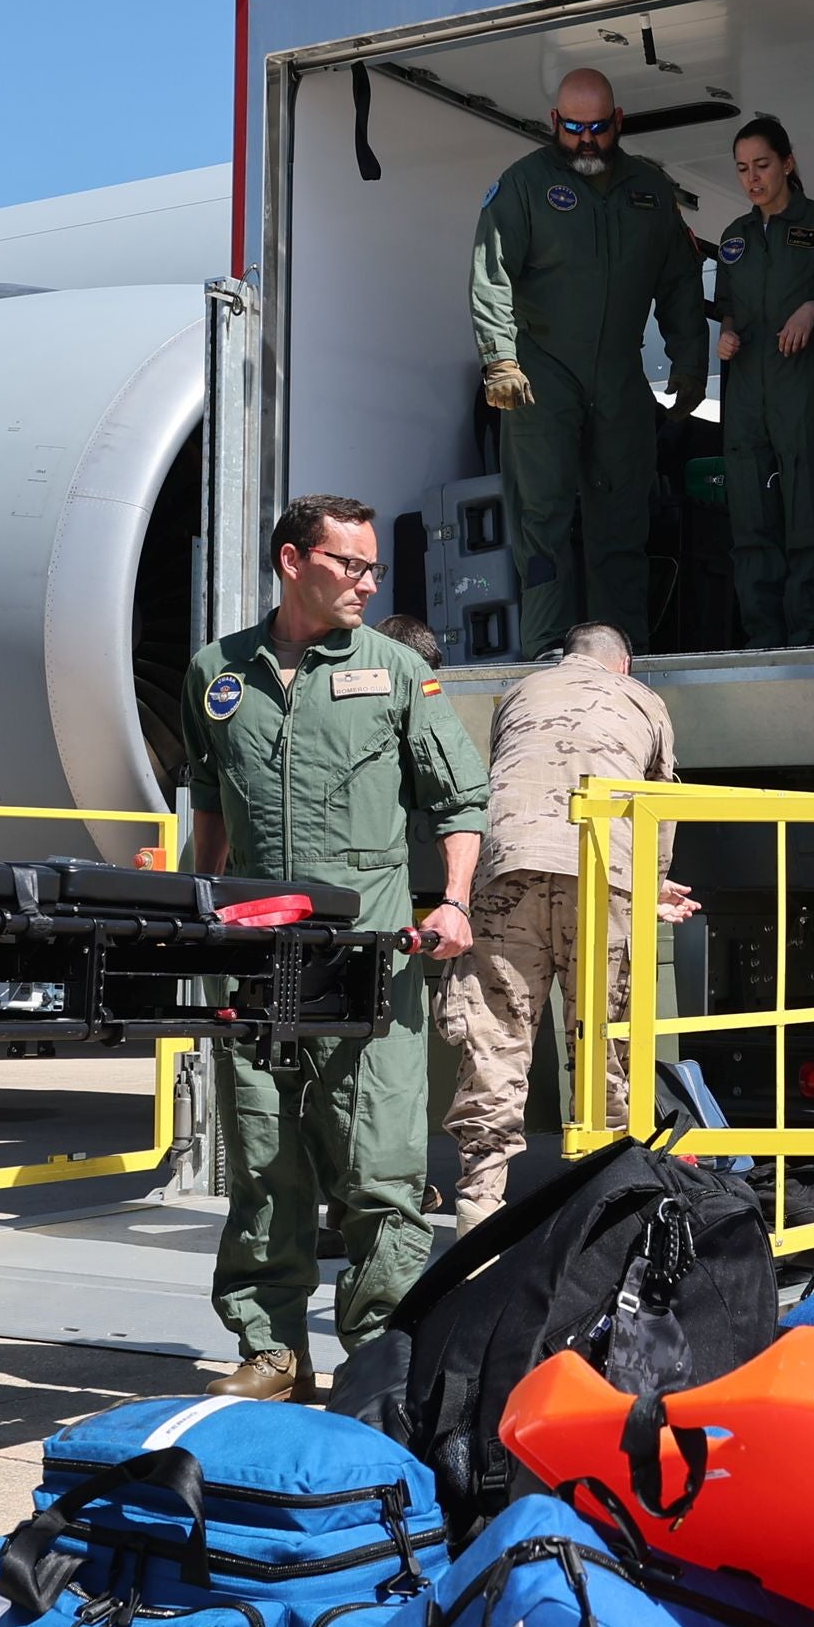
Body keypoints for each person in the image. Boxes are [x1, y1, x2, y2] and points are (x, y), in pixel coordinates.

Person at [179, 495, 489, 1396]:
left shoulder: (395, 670)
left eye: (371, 570)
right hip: (254, 955)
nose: (365, 582)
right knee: (265, 1158)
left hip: (369, 953)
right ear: (291, 561)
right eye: (348, 565)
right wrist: (203, 905)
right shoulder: (216, 671)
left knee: (379, 1165)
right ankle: (271, 1350)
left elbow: (457, 801)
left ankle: (380, 1361)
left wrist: (455, 902)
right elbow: (209, 797)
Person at [437, 625, 688, 1232]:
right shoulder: (644, 702)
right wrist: (653, 886)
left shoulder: (520, 694)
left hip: (508, 869)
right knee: (603, 1041)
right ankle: (606, 1210)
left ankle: (478, 1212)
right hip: (602, 873)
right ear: (621, 664)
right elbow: (661, 803)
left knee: (494, 1043)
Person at [466, 68, 708, 656]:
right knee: (543, 519)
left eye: (597, 128)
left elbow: (679, 279)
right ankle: (548, 652)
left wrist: (690, 360)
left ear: (617, 122)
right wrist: (500, 359)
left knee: (623, 524)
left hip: (621, 376)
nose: (586, 140)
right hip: (541, 375)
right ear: (554, 123)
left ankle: (622, 654)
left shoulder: (650, 192)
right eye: (573, 128)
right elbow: (491, 273)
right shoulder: (524, 185)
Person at [709, 118, 814, 647]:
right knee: (751, 521)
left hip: (803, 392)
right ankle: (763, 643)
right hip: (747, 398)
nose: (752, 179)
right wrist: (727, 336)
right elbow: (730, 310)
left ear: (788, 162)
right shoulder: (733, 238)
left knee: (812, 514)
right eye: (742, 169)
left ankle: (812, 639)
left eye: (762, 165)